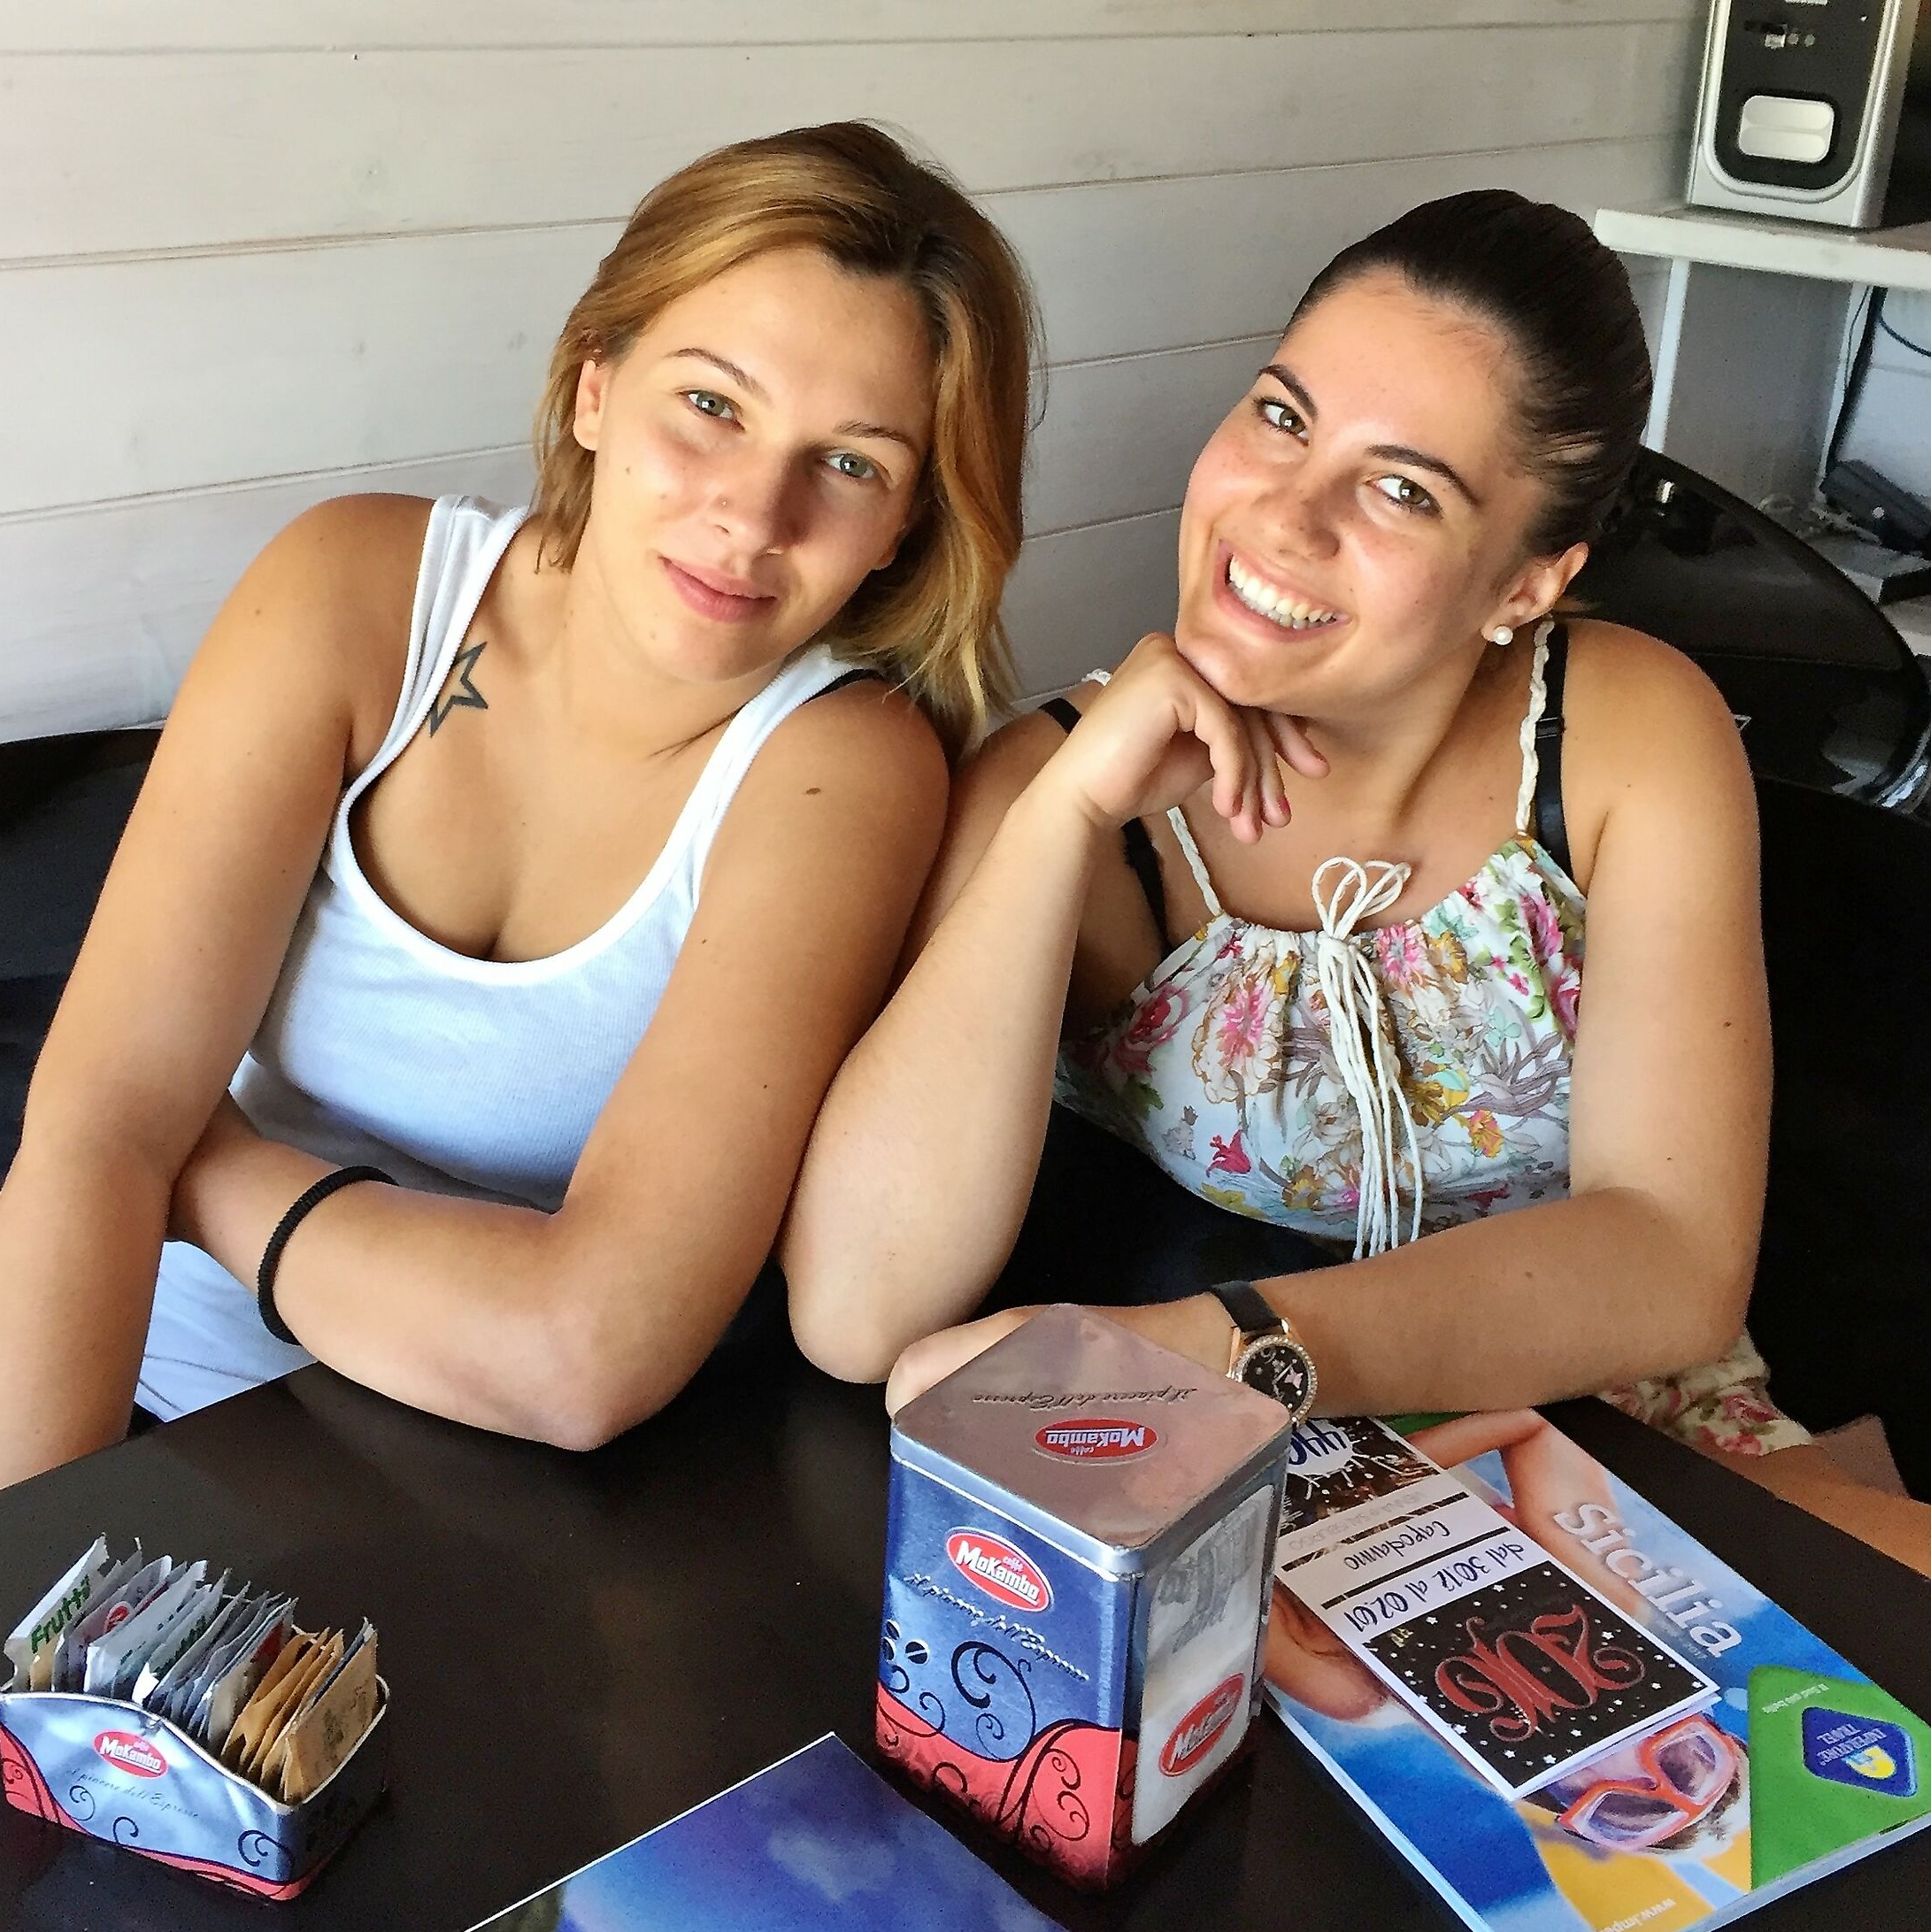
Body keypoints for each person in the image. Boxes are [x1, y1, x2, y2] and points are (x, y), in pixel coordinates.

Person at [781, 189, 1931, 1575]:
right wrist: (1062, 814)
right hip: (1240, 1494)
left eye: (1403, 488)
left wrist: (1236, 1349)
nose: (1285, 514)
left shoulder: (1627, 733)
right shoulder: (1067, 789)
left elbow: (1675, 1258)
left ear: (1529, 581)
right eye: (1281, 415)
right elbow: (856, 1308)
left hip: (1604, 1446)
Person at [0, 121, 1037, 1507]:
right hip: (151, 1391)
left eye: (854, 464)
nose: (752, 514)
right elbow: (86, 1153)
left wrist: (194, 1162)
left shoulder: (845, 767)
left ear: (907, 531)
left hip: (486, 1490)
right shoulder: (355, 591)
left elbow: (585, 1355)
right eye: (710, 405)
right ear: (594, 386)